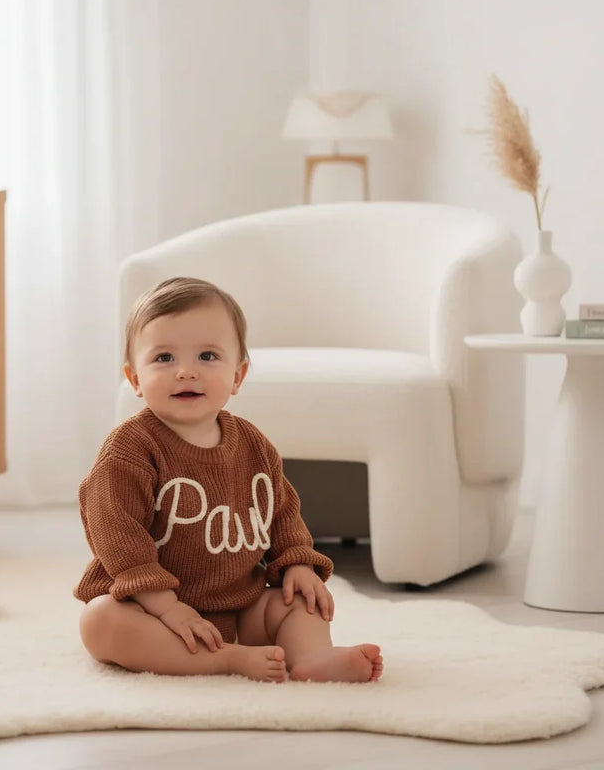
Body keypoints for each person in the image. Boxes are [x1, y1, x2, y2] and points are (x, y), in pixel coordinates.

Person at [75, 277, 383, 684]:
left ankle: (313, 658)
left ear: (237, 376)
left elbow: (282, 513)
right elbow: (115, 532)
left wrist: (297, 564)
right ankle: (224, 660)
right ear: (134, 378)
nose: (186, 372)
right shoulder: (129, 449)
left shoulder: (253, 444)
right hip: (154, 613)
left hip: (240, 608)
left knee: (299, 603)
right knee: (100, 622)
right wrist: (166, 607)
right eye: (164, 358)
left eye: (207, 356)